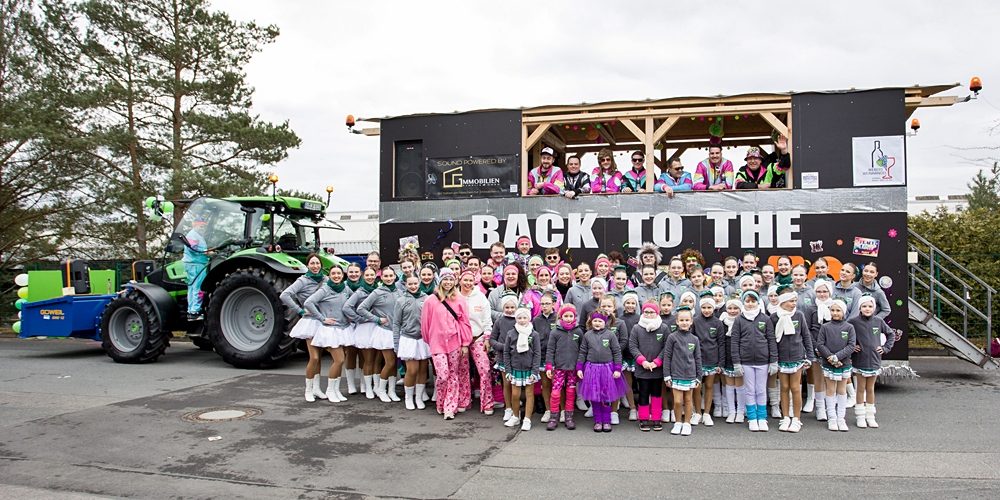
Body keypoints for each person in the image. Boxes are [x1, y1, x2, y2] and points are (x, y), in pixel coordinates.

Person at [420, 269, 473, 420]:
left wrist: (465, 343)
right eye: (445, 279)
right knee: (442, 375)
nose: (448, 282)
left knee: (453, 374)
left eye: (451, 279)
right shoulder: (430, 300)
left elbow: (465, 322)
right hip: (437, 344)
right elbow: (425, 323)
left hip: (455, 342)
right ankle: (441, 402)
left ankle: (450, 407)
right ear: (440, 281)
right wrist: (429, 340)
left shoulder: (459, 299)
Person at [281, 253, 327, 402]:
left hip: (322, 320)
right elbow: (285, 295)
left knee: (319, 357)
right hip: (310, 321)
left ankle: (317, 388)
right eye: (312, 263)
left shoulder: (325, 279)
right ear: (308, 265)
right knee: (313, 357)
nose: (315, 266)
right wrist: (299, 310)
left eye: (317, 263)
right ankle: (308, 389)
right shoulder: (302, 280)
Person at [730, 290, 777, 432]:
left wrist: (773, 360)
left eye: (753, 301)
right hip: (746, 361)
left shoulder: (765, 319)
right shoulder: (739, 320)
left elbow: (771, 340)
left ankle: (762, 418)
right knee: (750, 390)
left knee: (761, 390)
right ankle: (752, 418)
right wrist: (736, 362)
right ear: (744, 302)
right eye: (747, 301)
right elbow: (735, 342)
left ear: (758, 302)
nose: (750, 304)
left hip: (763, 361)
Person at [306, 265, 354, 403]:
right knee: (339, 360)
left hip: (344, 328)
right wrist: (322, 318)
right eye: (333, 273)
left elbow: (354, 301)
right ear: (330, 275)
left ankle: (336, 390)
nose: (336, 276)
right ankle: (325, 390)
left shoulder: (345, 288)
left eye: (339, 273)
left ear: (342, 275)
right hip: (330, 329)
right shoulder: (325, 289)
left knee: (339, 360)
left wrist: (352, 315)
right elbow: (309, 302)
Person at [849, 295, 895, 429]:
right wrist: (852, 347)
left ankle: (870, 416)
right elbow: (846, 335)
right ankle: (860, 416)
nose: (867, 309)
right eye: (864, 306)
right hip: (860, 360)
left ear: (874, 308)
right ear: (860, 308)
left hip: (874, 360)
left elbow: (891, 334)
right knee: (860, 389)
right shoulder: (853, 322)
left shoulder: (879, 321)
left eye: (870, 306)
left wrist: (885, 348)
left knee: (870, 389)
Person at [359, 266, 404, 403]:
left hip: (397, 332)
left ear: (395, 277)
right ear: (382, 277)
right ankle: (380, 389)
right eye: (386, 276)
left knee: (394, 363)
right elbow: (361, 308)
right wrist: (376, 319)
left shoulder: (400, 291)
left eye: (391, 276)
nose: (389, 278)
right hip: (384, 332)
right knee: (389, 362)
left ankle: (391, 390)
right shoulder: (377, 292)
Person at [577, 311, 627, 433]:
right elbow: (582, 352)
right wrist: (579, 367)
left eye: (600, 321)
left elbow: (616, 352)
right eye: (595, 321)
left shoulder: (610, 335)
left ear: (605, 322)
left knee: (606, 396)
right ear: (591, 322)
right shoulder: (587, 335)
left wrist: (617, 368)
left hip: (607, 370)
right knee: (595, 397)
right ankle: (598, 421)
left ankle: (606, 420)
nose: (597, 323)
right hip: (592, 369)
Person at [771, 285, 813, 432]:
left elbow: (806, 336)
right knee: (784, 387)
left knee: (795, 388)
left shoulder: (799, 315)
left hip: (797, 356)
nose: (793, 303)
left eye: (795, 300)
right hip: (781, 358)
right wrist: (774, 359)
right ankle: (785, 417)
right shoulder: (774, 317)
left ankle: (796, 418)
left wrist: (810, 356)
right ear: (782, 302)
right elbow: (772, 340)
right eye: (790, 301)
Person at [458, 269, 495, 415]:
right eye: (465, 280)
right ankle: (464, 400)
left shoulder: (480, 297)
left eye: (470, 280)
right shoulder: (455, 296)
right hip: (460, 340)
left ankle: (487, 402)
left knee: (484, 370)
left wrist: (487, 337)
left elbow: (487, 320)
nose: (468, 283)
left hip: (478, 337)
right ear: (460, 280)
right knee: (462, 370)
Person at [816, 300, 856, 432]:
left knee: (842, 390)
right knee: (830, 390)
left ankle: (841, 418)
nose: (835, 313)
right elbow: (820, 344)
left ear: (843, 312)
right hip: (829, 364)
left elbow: (851, 345)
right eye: (832, 310)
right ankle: (832, 418)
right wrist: (830, 358)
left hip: (843, 363)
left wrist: (837, 357)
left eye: (838, 310)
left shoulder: (849, 327)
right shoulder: (825, 327)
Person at [662, 307, 703, 436]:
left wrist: (698, 377)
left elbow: (697, 358)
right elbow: (667, 356)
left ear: (691, 321)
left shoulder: (694, 339)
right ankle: (678, 422)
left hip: (690, 375)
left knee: (688, 400)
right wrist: (667, 375)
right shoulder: (672, 337)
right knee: (678, 401)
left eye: (687, 320)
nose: (684, 322)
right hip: (676, 375)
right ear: (677, 322)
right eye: (682, 320)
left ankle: (687, 423)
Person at [392, 275, 430, 410]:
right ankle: (409, 397)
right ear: (405, 284)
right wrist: (396, 343)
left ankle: (419, 397)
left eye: (415, 283)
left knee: (422, 370)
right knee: (412, 370)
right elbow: (396, 323)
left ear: (419, 283)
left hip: (423, 340)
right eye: (410, 284)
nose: (413, 286)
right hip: (408, 339)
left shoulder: (426, 299)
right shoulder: (401, 300)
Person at [630, 302, 669, 432]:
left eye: (651, 312)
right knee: (643, 393)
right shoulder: (637, 328)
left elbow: (666, 347)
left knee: (657, 394)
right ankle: (644, 418)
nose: (649, 314)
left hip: (657, 369)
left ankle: (657, 417)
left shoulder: (663, 328)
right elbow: (633, 346)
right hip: (643, 369)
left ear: (657, 313)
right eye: (646, 312)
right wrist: (643, 361)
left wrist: (657, 362)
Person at [343, 267, 379, 399]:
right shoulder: (354, 290)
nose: (369, 277)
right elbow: (346, 307)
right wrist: (359, 319)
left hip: (373, 326)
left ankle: (366, 384)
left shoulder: (377, 289)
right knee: (352, 354)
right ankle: (351, 384)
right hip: (358, 326)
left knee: (369, 358)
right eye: (367, 275)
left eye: (372, 275)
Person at [503, 307, 541, 431]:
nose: (522, 320)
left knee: (530, 394)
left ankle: (527, 419)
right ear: (516, 318)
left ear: (529, 319)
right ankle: (515, 416)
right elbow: (506, 353)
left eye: (525, 318)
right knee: (515, 395)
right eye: (519, 318)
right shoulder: (511, 334)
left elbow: (537, 353)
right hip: (515, 369)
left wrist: (535, 371)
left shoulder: (534, 334)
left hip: (529, 369)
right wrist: (508, 370)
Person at [545, 304, 583, 430]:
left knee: (571, 392)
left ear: (574, 317)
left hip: (573, 369)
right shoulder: (555, 332)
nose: (568, 318)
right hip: (559, 368)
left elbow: (582, 350)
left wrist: (579, 366)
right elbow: (550, 349)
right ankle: (553, 417)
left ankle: (569, 417)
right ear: (561, 317)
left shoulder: (578, 331)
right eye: (565, 316)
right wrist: (549, 366)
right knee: (555, 393)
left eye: (570, 316)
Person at [692, 297, 724, 427]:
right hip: (697, 359)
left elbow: (721, 343)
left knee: (709, 386)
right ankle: (698, 412)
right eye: (704, 307)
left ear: (713, 308)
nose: (706, 310)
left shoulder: (718, 323)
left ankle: (706, 413)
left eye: (709, 307)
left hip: (712, 359)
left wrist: (720, 363)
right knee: (697, 387)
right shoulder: (695, 321)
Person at [808, 279, 835, 421]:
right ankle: (820, 408)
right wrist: (816, 347)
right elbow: (807, 330)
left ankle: (831, 406)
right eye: (819, 291)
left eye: (825, 291)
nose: (822, 294)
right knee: (818, 378)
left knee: (830, 379)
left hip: (832, 349)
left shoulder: (835, 307)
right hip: (816, 349)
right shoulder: (811, 309)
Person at [491, 293, 519, 421]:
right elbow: (492, 339)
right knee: (506, 384)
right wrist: (503, 347)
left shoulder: (520, 320)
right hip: (503, 358)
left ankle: (516, 409)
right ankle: (508, 408)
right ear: (503, 308)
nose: (510, 310)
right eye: (507, 307)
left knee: (516, 385)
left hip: (518, 358)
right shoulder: (499, 321)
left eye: (512, 307)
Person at [531, 292, 557, 423]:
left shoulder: (558, 318)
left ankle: (560, 410)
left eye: (547, 303)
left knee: (557, 385)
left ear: (553, 304)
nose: (545, 306)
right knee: (545, 384)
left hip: (556, 357)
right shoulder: (536, 320)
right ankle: (548, 410)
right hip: (542, 356)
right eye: (542, 304)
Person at [182, 213, 213, 320]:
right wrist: (207, 252)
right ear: (195, 224)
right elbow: (192, 249)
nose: (202, 227)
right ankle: (195, 311)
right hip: (196, 264)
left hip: (195, 263)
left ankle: (191, 311)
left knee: (192, 288)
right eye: (201, 225)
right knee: (198, 287)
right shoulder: (192, 235)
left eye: (204, 226)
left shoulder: (196, 235)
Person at [720, 299, 745, 423]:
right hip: (726, 356)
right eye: (730, 308)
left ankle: (740, 411)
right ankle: (731, 411)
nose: (732, 311)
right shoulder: (722, 323)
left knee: (740, 385)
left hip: (740, 358)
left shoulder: (743, 322)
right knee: (729, 385)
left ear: (740, 310)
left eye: (736, 308)